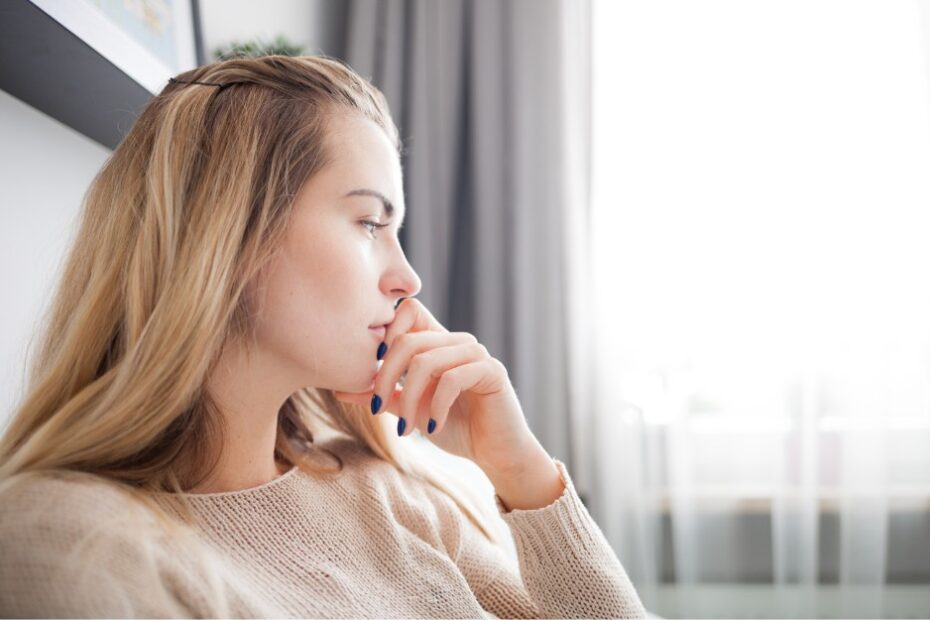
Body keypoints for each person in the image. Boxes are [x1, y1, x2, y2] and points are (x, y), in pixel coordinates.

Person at [0, 54, 647, 618]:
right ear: (231, 235)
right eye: (369, 222)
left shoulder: (388, 491)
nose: (408, 277)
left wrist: (522, 472)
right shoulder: (65, 542)